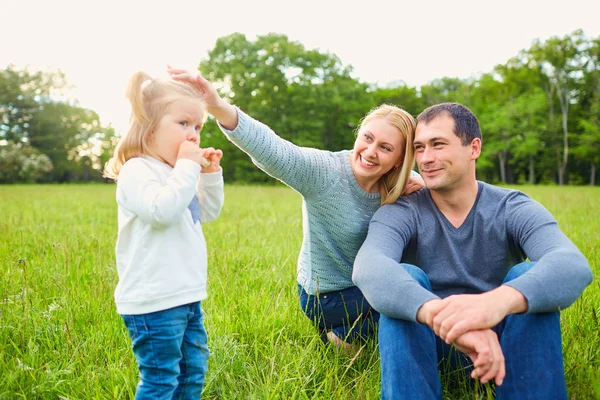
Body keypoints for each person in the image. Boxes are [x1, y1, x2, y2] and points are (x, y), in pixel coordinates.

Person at [167, 66, 424, 351]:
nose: (370, 151)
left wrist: (423, 194)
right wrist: (216, 105)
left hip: (364, 287)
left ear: (400, 159)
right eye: (367, 137)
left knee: (417, 290)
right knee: (413, 297)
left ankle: (350, 334)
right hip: (325, 295)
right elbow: (273, 149)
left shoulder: (406, 186)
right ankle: (344, 336)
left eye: (386, 148)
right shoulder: (325, 172)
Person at [353, 102, 593, 399]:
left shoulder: (511, 206)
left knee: (528, 274)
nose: (426, 158)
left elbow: (571, 264)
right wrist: (444, 318)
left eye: (438, 144)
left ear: (474, 148)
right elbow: (369, 266)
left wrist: (496, 304)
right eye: (420, 148)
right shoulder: (403, 210)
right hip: (431, 343)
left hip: (504, 342)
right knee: (403, 276)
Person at [103, 71, 225, 398]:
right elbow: (161, 212)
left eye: (198, 126)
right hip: (153, 301)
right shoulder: (137, 170)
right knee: (161, 378)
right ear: (150, 128)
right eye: (183, 123)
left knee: (191, 372)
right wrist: (187, 168)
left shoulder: (176, 173)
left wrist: (209, 175)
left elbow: (207, 212)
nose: (193, 134)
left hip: (185, 295)